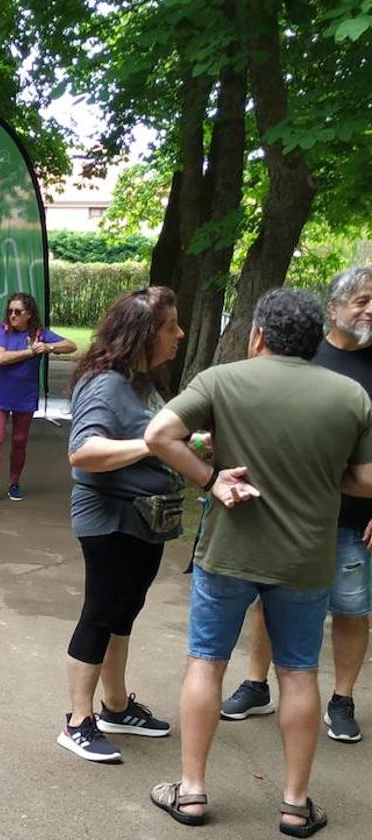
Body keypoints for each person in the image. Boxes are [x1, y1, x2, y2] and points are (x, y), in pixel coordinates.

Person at [144, 288, 372, 836]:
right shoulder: (349, 396)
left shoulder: (222, 380)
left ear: (259, 335)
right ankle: (295, 805)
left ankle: (192, 793)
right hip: (305, 557)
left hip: (229, 551)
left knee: (206, 662)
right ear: (315, 338)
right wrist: (322, 478)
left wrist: (210, 477)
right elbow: (366, 479)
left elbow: (159, 436)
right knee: (298, 673)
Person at [221, 267, 372, 742]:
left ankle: (343, 699)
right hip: (286, 514)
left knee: (351, 609)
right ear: (332, 309)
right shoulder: (305, 354)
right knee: (269, 604)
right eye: (362, 300)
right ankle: (255, 683)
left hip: (353, 520)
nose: (371, 310)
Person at [58, 287, 186, 763]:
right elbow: (83, 451)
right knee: (101, 611)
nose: (180, 334)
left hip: (144, 520)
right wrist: (156, 446)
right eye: (171, 326)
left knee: (124, 611)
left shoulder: (141, 380)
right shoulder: (106, 383)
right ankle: (77, 721)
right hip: (108, 519)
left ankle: (114, 707)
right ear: (145, 333)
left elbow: (149, 434)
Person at [0, 293, 76, 505]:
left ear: (29, 314)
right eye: (10, 311)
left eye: (17, 312)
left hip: (25, 396)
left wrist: (49, 347)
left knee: (19, 441)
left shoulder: (39, 333)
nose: (12, 315)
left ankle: (14, 483)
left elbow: (71, 345)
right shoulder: (1, 329)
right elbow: (1, 358)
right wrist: (31, 352)